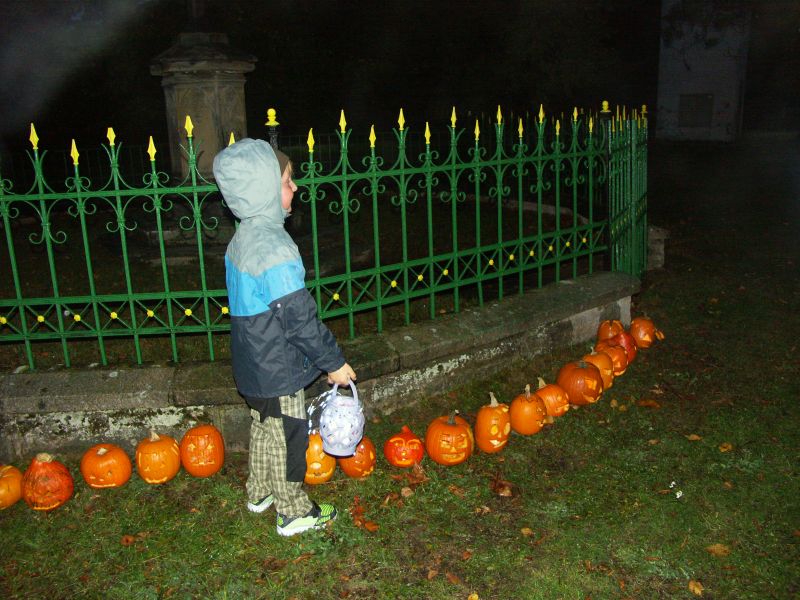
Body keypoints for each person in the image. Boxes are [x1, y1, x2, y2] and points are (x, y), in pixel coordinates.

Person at [213, 138, 356, 537]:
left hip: (252, 363)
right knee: (289, 438)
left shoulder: (242, 238)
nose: (295, 187)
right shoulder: (272, 248)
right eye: (288, 181)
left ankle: (258, 492)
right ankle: (292, 511)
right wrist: (334, 362)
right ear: (263, 190)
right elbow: (299, 320)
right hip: (277, 367)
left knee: (265, 428)